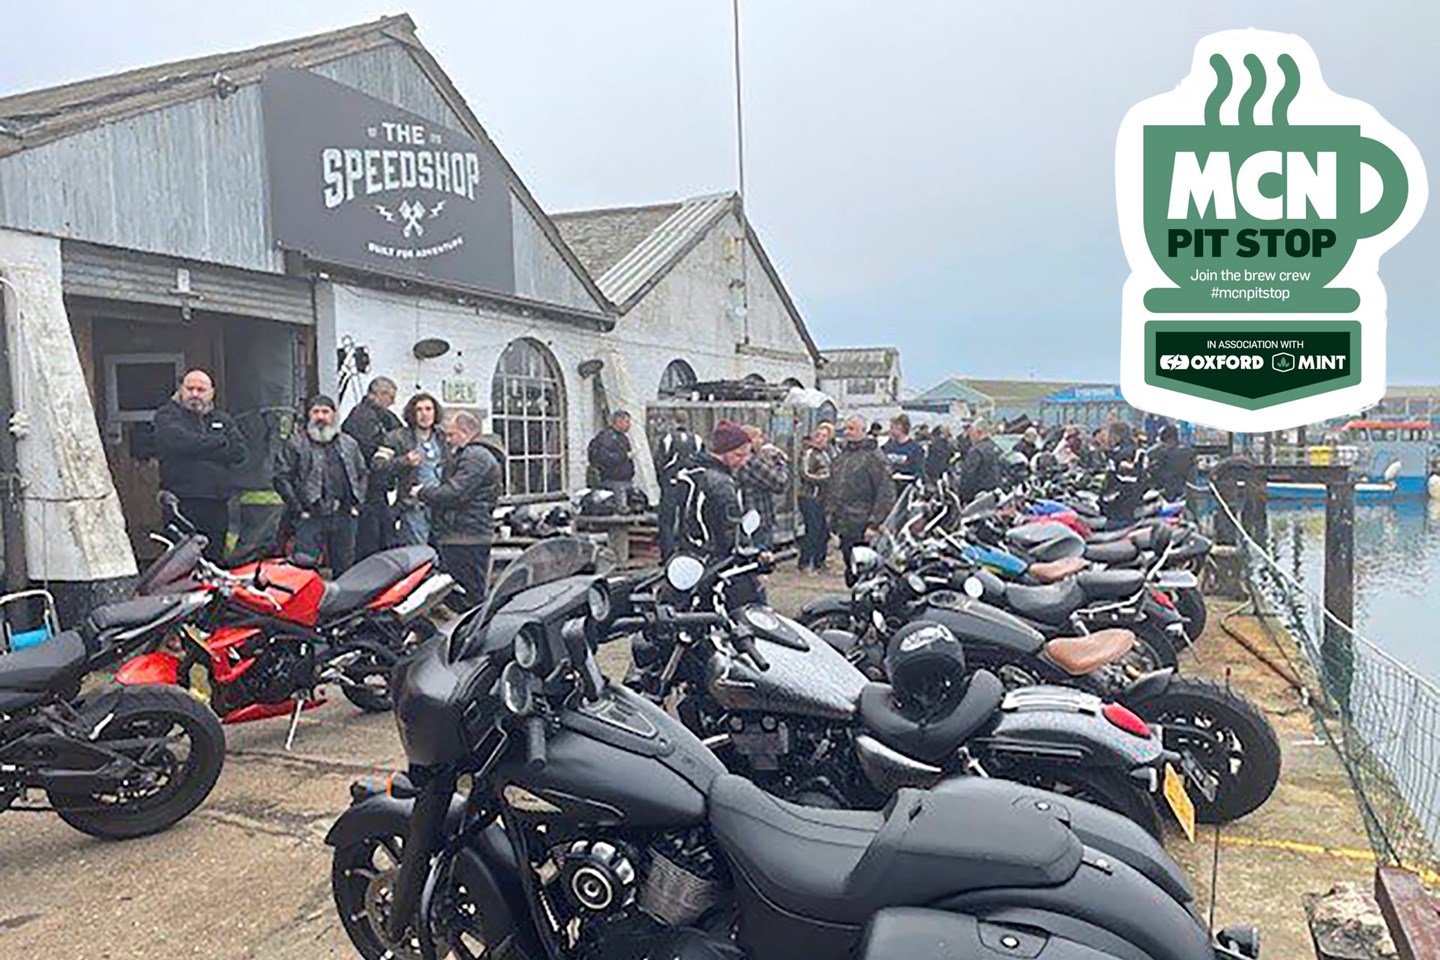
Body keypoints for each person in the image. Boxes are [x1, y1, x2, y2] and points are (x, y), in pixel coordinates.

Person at [152, 369, 247, 562]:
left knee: (215, 559)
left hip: (217, 503)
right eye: (190, 388)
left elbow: (239, 452)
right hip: (181, 502)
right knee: (181, 562)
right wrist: (218, 441)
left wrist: (196, 448)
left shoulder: (223, 419)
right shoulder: (166, 416)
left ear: (211, 393)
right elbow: (178, 443)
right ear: (181, 390)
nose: (195, 394)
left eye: (201, 390)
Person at [273, 395, 367, 574]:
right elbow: (281, 478)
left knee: (345, 568)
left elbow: (362, 474)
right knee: (304, 567)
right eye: (315, 411)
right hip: (310, 516)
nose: (321, 416)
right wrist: (299, 509)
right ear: (308, 415)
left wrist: (357, 504)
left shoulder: (349, 443)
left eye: (325, 412)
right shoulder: (295, 443)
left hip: (344, 515)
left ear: (334, 415)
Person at [418, 411, 503, 608]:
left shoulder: (475, 456)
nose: (447, 440)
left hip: (466, 534)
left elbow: (455, 492)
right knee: (460, 590)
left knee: (468, 592)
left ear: (465, 432)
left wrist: (422, 492)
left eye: (451, 434)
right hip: (464, 531)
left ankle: (472, 625)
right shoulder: (473, 454)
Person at [829, 415, 896, 582]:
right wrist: (832, 517)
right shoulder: (843, 456)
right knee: (850, 570)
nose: (847, 432)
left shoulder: (874, 457)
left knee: (865, 571)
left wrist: (874, 524)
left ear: (863, 431)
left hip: (863, 522)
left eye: (852, 429)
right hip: (844, 522)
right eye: (846, 428)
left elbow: (885, 492)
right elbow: (835, 487)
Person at [373, 392, 444, 547]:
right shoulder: (396, 437)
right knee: (418, 553)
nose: (424, 414)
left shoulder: (444, 438)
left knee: (443, 553)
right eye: (419, 410)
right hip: (413, 507)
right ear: (412, 413)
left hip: (441, 506)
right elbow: (378, 465)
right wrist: (404, 461)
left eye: (428, 409)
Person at [342, 377, 402, 560]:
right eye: (391, 397)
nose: (393, 402)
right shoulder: (363, 417)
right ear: (379, 394)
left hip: (374, 488)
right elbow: (370, 450)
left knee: (382, 535)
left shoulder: (379, 416)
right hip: (366, 488)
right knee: (371, 538)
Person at [677, 420, 751, 563]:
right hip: (715, 557)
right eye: (739, 455)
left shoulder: (692, 471)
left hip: (689, 552)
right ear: (723, 451)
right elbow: (730, 527)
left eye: (747, 455)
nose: (744, 462)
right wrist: (744, 551)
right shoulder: (721, 483)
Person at [655, 413, 703, 558]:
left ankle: (668, 554)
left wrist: (663, 480)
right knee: (687, 517)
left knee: (667, 520)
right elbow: (702, 461)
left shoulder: (668, 439)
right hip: (690, 484)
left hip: (671, 482)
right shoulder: (697, 439)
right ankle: (686, 551)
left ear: (674, 422)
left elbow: (660, 462)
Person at [736, 424, 790, 550]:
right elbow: (780, 483)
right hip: (758, 520)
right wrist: (779, 461)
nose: (762, 441)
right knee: (761, 554)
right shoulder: (752, 462)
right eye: (759, 437)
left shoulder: (746, 459)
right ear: (750, 440)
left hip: (748, 519)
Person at [797, 422, 834, 572]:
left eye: (825, 436)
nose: (821, 439)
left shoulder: (827, 453)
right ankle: (805, 562)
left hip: (823, 498)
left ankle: (820, 561)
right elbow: (804, 473)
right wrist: (826, 478)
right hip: (809, 497)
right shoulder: (809, 453)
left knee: (823, 531)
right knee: (812, 530)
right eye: (818, 435)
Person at [1100, 420, 1146, 524]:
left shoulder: (1120, 454)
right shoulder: (1138, 451)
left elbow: (1120, 481)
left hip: (1119, 505)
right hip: (1135, 500)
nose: (1107, 438)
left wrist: (1104, 501)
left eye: (1109, 435)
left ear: (1116, 436)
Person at [955, 419, 1004, 504]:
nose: (970, 437)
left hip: (979, 498)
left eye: (972, 433)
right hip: (997, 495)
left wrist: (964, 497)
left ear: (979, 432)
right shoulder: (996, 448)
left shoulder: (976, 451)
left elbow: (968, 476)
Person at [588, 409, 636, 495]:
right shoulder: (607, 438)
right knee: (619, 502)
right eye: (627, 422)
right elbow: (604, 458)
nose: (629, 425)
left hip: (624, 480)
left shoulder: (622, 438)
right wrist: (624, 456)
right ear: (618, 422)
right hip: (613, 481)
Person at [1148, 423, 1197, 502]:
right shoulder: (1188, 452)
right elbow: (1192, 476)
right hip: (1184, 493)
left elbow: (1151, 474)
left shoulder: (1156, 453)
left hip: (1163, 494)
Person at [882, 413, 926, 485]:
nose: (890, 430)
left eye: (892, 427)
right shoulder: (887, 447)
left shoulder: (915, 449)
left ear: (900, 428)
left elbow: (918, 470)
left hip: (906, 483)